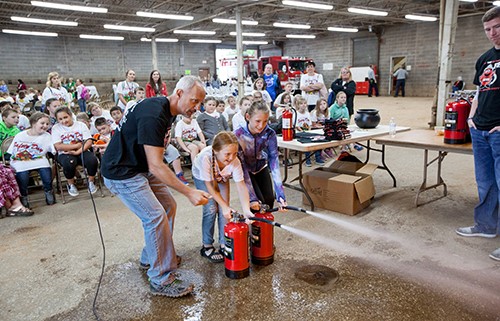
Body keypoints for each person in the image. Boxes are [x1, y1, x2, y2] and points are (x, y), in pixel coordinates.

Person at [101, 75, 211, 297]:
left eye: (200, 103)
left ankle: (152, 256)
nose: (196, 108)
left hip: (138, 166)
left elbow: (155, 158)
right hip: (122, 172)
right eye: (194, 101)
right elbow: (156, 166)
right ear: (179, 93)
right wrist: (189, 191)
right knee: (154, 216)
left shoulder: (167, 110)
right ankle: (161, 277)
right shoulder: (154, 114)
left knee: (168, 206)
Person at [455, 6, 500, 262]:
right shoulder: (484, 58)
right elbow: (480, 92)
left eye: (497, 27)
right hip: (480, 130)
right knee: (485, 182)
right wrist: (472, 117)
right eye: (487, 29)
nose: (492, 33)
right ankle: (486, 226)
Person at [193, 131, 254, 263]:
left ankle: (223, 243)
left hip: (221, 176)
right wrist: (225, 206)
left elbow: (241, 186)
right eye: (227, 154)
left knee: (224, 211)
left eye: (235, 153)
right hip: (203, 177)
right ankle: (207, 245)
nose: (231, 157)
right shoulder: (206, 157)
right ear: (215, 150)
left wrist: (247, 210)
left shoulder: (234, 161)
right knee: (210, 209)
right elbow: (211, 188)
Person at [234, 101, 287, 210]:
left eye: (265, 121)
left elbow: (274, 161)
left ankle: (267, 226)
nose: (261, 125)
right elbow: (242, 165)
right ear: (248, 117)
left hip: (261, 166)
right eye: (257, 121)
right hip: (245, 170)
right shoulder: (238, 135)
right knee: (256, 204)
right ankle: (254, 226)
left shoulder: (269, 133)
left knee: (268, 200)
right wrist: (252, 197)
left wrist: (280, 193)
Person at [8, 112, 56, 207]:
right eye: (42, 123)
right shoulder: (20, 135)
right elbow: (12, 152)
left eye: (47, 124)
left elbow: (53, 150)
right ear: (34, 123)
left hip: (38, 159)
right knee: (23, 176)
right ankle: (24, 196)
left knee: (46, 172)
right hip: (21, 161)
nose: (45, 126)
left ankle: (48, 191)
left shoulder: (47, 136)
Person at [51, 106, 99, 197]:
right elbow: (58, 145)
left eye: (65, 117)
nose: (63, 121)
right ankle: (71, 184)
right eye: (60, 119)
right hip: (65, 153)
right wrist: (76, 145)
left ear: (70, 115)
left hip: (82, 150)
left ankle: (91, 181)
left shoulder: (81, 125)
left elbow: (88, 141)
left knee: (92, 160)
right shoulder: (56, 128)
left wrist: (78, 151)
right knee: (69, 163)